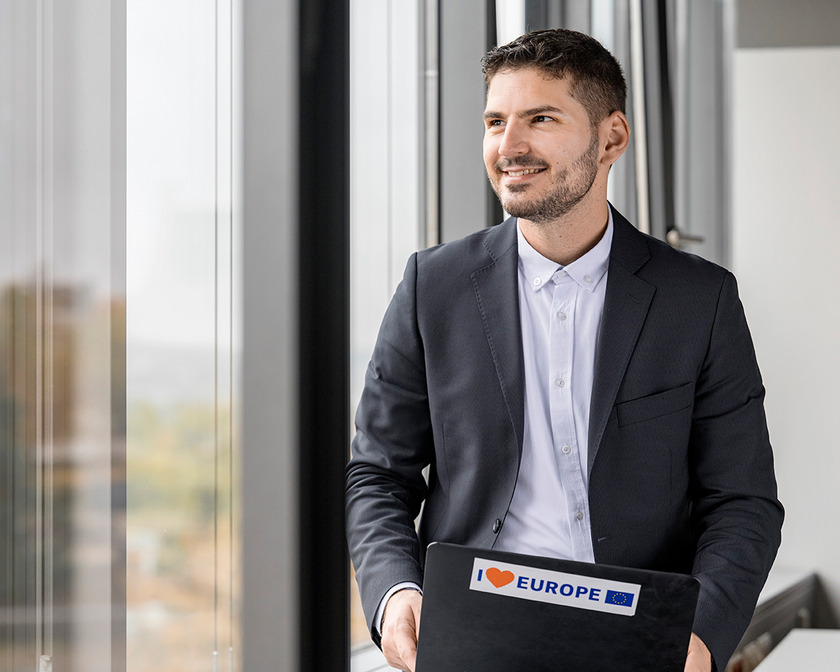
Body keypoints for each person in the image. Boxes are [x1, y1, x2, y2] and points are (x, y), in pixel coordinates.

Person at [345, 28, 783, 672]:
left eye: (540, 119)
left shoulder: (701, 300)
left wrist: (699, 637)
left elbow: (742, 501)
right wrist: (395, 594)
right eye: (495, 121)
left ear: (611, 139)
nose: (508, 146)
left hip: (638, 639)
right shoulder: (430, 288)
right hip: (473, 634)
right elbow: (379, 475)